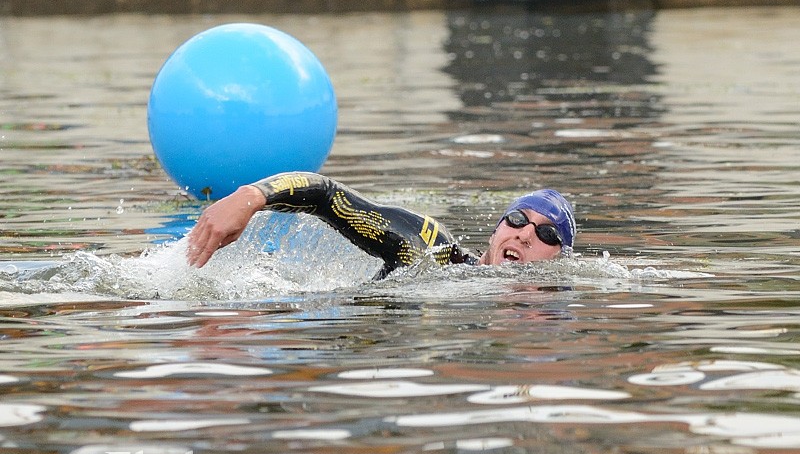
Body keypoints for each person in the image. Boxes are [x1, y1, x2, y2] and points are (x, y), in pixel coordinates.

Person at [186, 171, 576, 278]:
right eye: (518, 219)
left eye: (546, 234)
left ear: (560, 261)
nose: (525, 233)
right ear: (495, 232)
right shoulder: (433, 253)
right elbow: (327, 195)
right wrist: (250, 197)